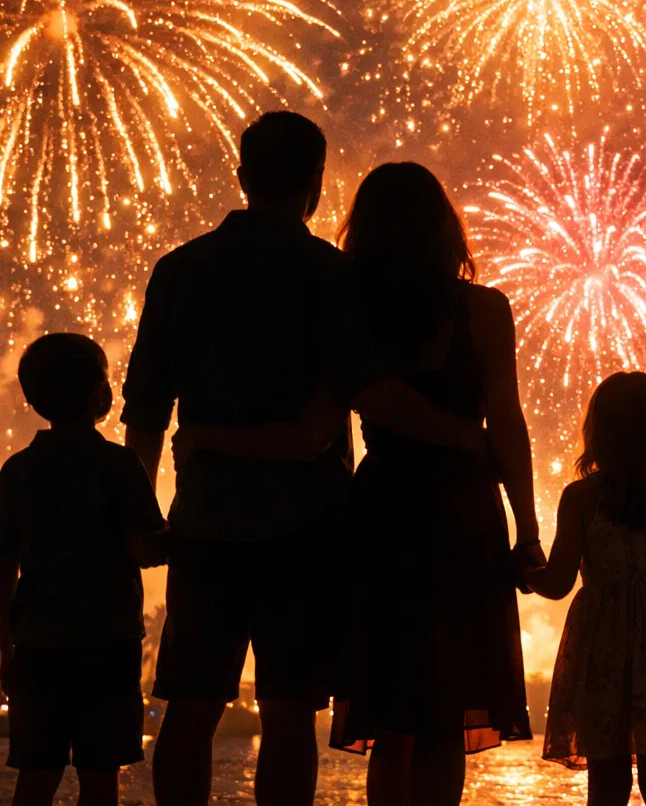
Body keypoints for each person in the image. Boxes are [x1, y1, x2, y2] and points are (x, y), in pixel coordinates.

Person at [122, 113, 482, 806]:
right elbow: (338, 414)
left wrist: (145, 518)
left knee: (191, 709)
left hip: (204, 522)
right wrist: (470, 436)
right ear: (317, 183)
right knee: (291, 715)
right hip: (309, 529)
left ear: (242, 177)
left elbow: (143, 409)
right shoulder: (332, 276)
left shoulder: (181, 270)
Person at [330, 162, 542, 806]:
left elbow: (355, 402)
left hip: (384, 506)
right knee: (446, 715)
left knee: (393, 713)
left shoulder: (350, 306)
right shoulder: (483, 309)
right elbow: (506, 420)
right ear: (444, 227)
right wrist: (528, 529)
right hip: (462, 512)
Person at [523, 372, 646, 806]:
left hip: (600, 649)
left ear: (599, 431)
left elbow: (558, 583)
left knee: (606, 783)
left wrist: (523, 573)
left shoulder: (581, 498)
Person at [0, 333, 167, 806]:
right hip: (107, 648)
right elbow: (145, 549)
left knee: (36, 777)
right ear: (99, 397)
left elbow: (2, 570)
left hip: (37, 650)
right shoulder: (120, 465)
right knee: (100, 778)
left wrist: (8, 649)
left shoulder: (18, 470)